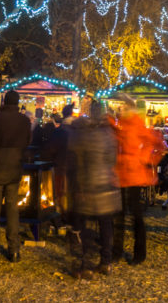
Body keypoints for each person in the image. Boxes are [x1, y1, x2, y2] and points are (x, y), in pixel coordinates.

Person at [68, 99, 120, 278]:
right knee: (105, 226)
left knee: (85, 226)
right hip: (107, 184)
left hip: (89, 184)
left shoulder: (86, 134)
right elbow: (113, 159)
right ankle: (106, 262)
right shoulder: (109, 134)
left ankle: (85, 265)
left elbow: (79, 161)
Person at [114, 96, 167, 266]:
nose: (121, 108)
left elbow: (160, 145)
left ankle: (138, 253)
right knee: (120, 215)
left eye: (123, 106)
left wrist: (145, 160)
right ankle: (118, 251)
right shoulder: (121, 127)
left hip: (133, 176)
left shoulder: (136, 127)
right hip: (121, 175)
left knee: (135, 216)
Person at [0, 89, 31, 266]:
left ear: (4, 101)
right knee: (12, 210)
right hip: (14, 169)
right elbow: (27, 141)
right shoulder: (24, 121)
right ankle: (14, 250)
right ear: (17, 103)